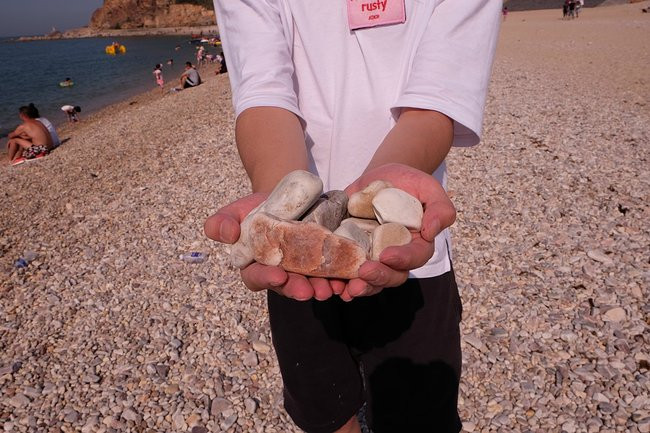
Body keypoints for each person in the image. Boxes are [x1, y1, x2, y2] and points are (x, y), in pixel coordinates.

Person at [205, 1, 501, 432]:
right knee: (325, 410)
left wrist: (380, 192)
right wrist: (277, 206)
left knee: (419, 419)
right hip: (297, 260)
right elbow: (264, 93)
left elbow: (435, 102)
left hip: (405, 248)